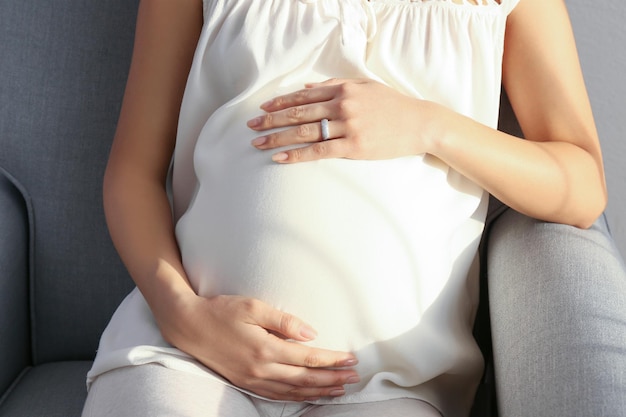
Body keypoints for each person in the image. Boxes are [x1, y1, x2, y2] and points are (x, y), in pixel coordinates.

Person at [81, 0, 607, 416]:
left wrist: (428, 126)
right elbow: (132, 174)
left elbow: (582, 186)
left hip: (389, 386)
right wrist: (184, 317)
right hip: (187, 356)